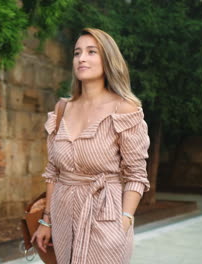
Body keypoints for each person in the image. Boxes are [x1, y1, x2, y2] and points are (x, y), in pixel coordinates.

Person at [31, 28, 150, 264]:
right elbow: (54, 170)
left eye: (91, 52)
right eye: (77, 53)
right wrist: (46, 220)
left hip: (106, 217)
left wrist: (124, 220)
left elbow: (136, 174)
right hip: (63, 218)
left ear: (108, 60)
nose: (81, 58)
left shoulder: (124, 109)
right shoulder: (62, 108)